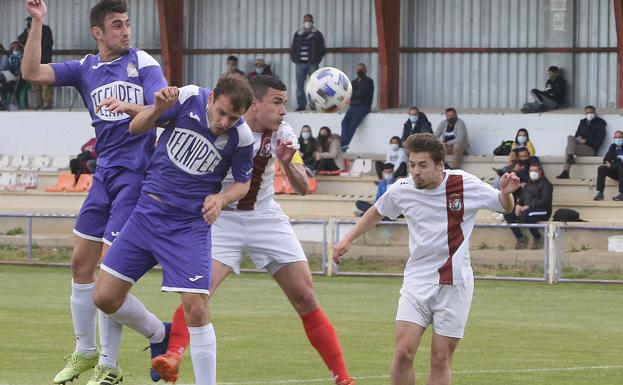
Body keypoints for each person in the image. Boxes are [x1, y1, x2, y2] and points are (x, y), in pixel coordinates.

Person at [150, 76, 355, 385]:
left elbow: (302, 188)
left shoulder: (282, 133)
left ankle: (343, 378)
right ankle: (173, 355)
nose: (283, 110)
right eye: (277, 102)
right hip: (222, 219)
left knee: (306, 296)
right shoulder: (224, 123)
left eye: (285, 102)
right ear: (254, 104)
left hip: (265, 217)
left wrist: (287, 164)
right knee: (199, 293)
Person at [21, 0, 169, 383]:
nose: (126, 31)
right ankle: (87, 352)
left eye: (127, 23)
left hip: (136, 178)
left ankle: (109, 365)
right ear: (97, 33)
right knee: (80, 266)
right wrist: (37, 23)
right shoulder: (86, 69)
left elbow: (164, 107)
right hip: (104, 176)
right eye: (117, 25)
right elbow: (31, 71)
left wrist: (129, 104)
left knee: (108, 274)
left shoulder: (143, 63)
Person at [93, 77, 255, 385]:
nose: (224, 122)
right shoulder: (188, 97)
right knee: (104, 297)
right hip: (146, 214)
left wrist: (221, 198)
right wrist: (158, 108)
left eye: (232, 118)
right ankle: (160, 333)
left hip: (187, 226)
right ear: (211, 99)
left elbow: (243, 183)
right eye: (221, 113)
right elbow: (136, 128)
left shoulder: (242, 137)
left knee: (196, 306)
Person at [333, 133, 519, 385]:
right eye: (412, 165)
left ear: (440, 165)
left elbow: (503, 205)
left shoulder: (464, 184)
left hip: (454, 286)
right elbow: (377, 211)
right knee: (402, 353)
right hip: (417, 283)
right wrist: (347, 239)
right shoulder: (402, 189)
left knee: (440, 359)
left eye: (423, 165)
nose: (416, 172)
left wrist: (507, 194)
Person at [505, 163, 553, 249]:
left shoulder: (546, 184)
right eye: (531, 170)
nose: (533, 172)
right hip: (528, 210)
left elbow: (545, 201)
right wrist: (518, 205)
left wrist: (529, 206)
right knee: (508, 213)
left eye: (535, 170)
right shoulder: (528, 184)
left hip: (543, 211)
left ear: (540, 172)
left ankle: (537, 237)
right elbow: (522, 198)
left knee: (527, 215)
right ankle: (520, 238)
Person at [556, 105, 606, 179]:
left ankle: (566, 171)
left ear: (595, 113)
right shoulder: (582, 123)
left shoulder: (600, 125)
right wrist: (578, 138)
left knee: (568, 149)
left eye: (591, 112)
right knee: (570, 137)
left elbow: (599, 142)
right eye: (587, 113)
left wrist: (586, 141)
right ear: (585, 114)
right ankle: (570, 158)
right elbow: (576, 135)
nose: (589, 114)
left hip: (591, 150)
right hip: (580, 146)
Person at [290, 13, 325, 111]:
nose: (307, 22)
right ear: (303, 22)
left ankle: (314, 104)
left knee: (314, 85)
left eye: (309, 20)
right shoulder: (298, 34)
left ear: (313, 22)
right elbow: (293, 48)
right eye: (306, 20)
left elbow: (322, 49)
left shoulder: (317, 34)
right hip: (300, 64)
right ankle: (301, 105)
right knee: (299, 86)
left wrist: (316, 60)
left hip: (312, 64)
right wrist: (295, 59)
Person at [18, 15, 54, 109]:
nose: (29, 24)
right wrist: (29, 32)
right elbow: (20, 40)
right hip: (34, 63)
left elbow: (48, 43)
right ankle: (38, 104)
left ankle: (47, 103)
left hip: (45, 60)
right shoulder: (29, 31)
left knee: (46, 83)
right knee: (35, 85)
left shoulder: (46, 29)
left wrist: (36, 33)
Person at [340, 63, 373, 151]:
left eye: (361, 69)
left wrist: (351, 98)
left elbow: (362, 93)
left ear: (365, 70)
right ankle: (343, 143)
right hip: (353, 106)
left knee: (352, 125)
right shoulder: (353, 82)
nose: (359, 71)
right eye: (358, 69)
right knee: (344, 123)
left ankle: (344, 145)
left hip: (363, 107)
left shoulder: (369, 81)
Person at [593, 130, 623, 201]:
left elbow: (611, 163)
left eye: (620, 137)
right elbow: (605, 160)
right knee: (601, 168)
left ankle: (622, 194)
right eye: (616, 137)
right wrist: (619, 162)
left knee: (621, 168)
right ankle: (600, 193)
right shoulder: (613, 146)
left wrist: (612, 164)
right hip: (616, 173)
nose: (617, 139)